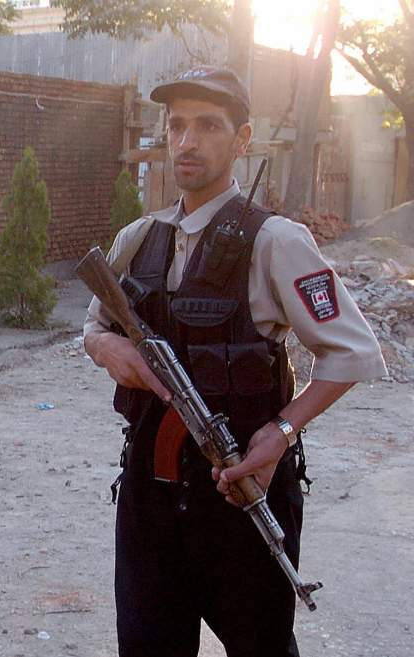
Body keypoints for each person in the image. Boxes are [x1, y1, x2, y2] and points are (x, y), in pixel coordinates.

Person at [83, 66, 387, 657]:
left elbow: (353, 352)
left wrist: (280, 432)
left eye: (208, 126)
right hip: (150, 493)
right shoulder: (138, 238)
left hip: (241, 489)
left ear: (243, 140)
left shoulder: (275, 241)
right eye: (176, 127)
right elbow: (92, 325)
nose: (187, 142)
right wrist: (107, 347)